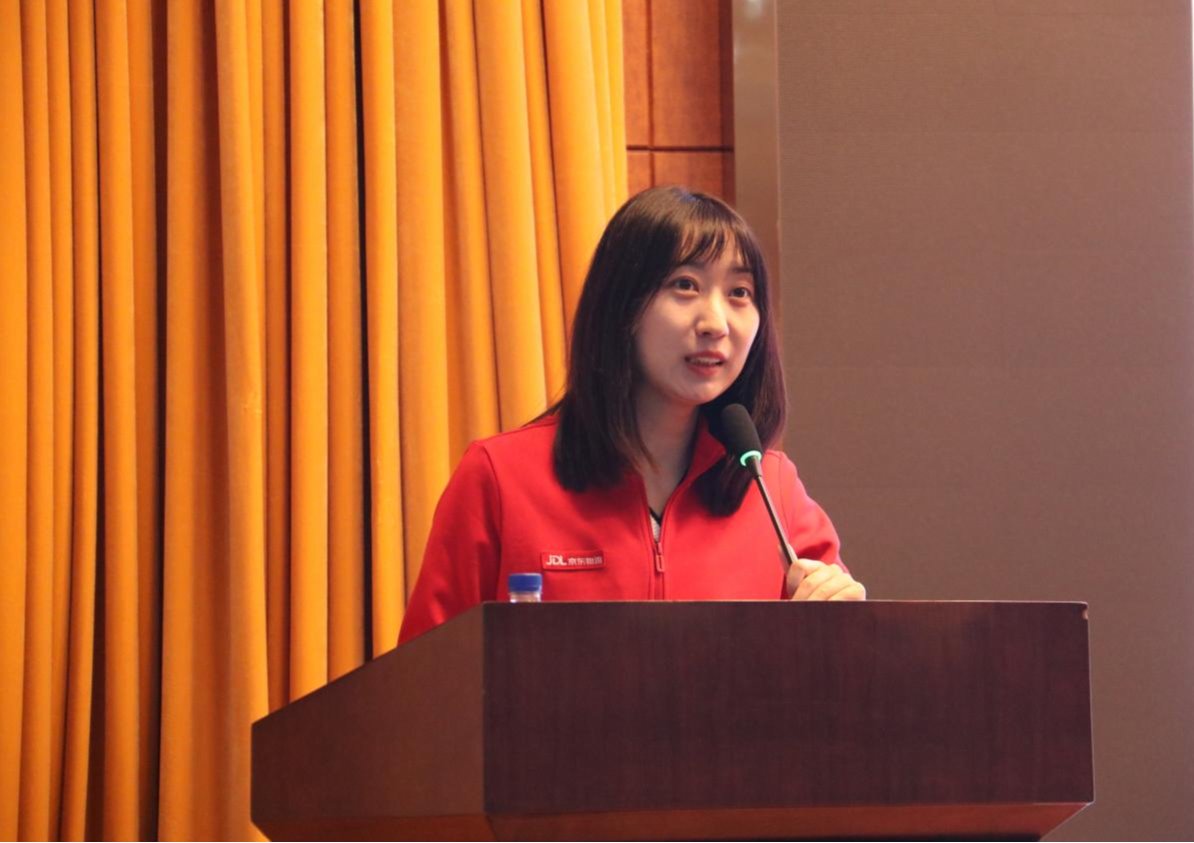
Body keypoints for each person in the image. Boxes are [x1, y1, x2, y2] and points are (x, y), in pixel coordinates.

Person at [398, 186, 864, 643]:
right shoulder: (500, 478)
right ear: (621, 305)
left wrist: (844, 621)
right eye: (685, 285)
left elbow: (840, 668)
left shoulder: (773, 489)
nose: (716, 323)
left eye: (740, 292)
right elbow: (427, 677)